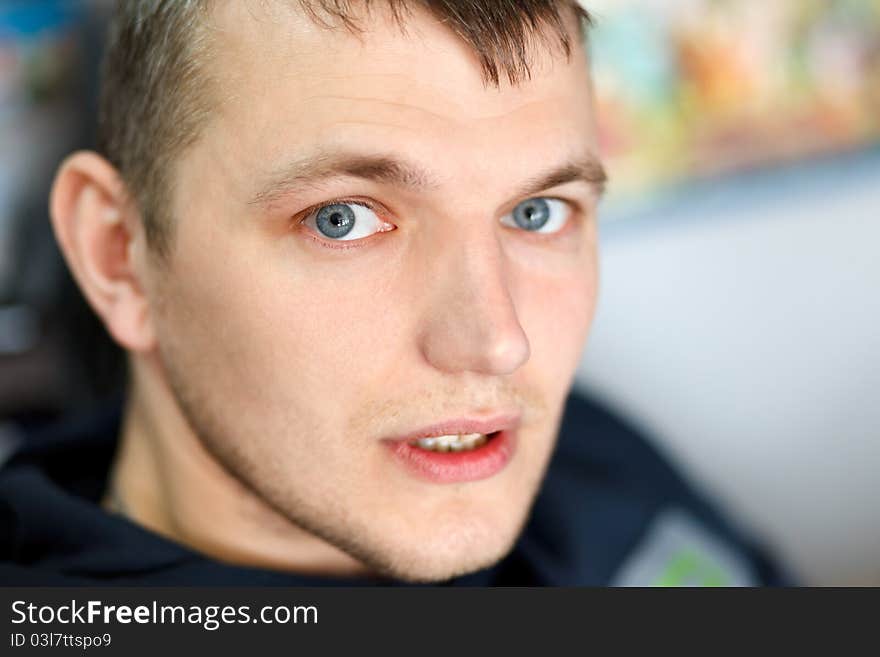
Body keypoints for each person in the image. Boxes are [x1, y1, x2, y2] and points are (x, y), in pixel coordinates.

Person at [0, 0, 788, 586]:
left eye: (535, 212)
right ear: (119, 256)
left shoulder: (583, 452)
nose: (495, 340)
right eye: (341, 220)